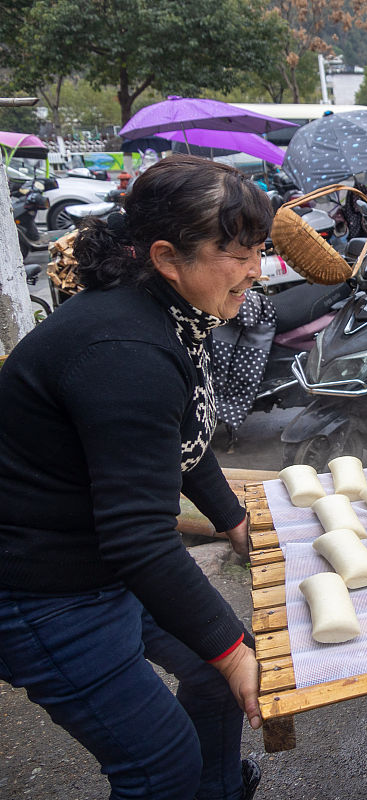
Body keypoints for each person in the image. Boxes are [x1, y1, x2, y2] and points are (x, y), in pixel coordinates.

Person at [0, 154, 270, 798]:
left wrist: (234, 521)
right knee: (161, 764)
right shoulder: (126, 350)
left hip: (100, 563)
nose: (256, 271)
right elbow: (140, 538)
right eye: (239, 254)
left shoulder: (168, 311)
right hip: (41, 588)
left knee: (212, 675)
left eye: (259, 251)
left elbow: (181, 438)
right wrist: (233, 652)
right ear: (167, 257)